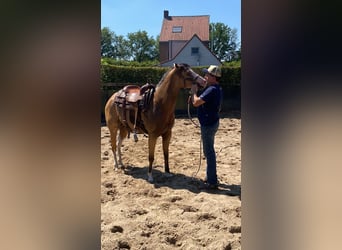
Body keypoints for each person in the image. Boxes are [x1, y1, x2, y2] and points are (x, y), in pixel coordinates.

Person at [190, 65, 222, 189]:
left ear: (213, 77)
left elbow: (196, 103)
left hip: (208, 124)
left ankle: (212, 181)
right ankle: (210, 177)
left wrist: (193, 93)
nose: (205, 76)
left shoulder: (211, 89)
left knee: (209, 152)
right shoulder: (216, 88)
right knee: (209, 151)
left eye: (207, 75)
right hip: (212, 122)